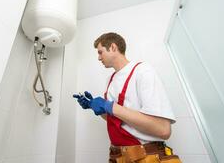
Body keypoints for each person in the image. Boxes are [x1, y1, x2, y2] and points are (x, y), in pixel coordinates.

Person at [73, 32, 182, 163]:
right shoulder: (110, 80)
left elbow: (163, 130)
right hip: (118, 157)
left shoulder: (142, 71)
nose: (98, 58)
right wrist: (97, 109)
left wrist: (109, 106)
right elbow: (119, 121)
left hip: (146, 157)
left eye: (100, 52)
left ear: (113, 47)